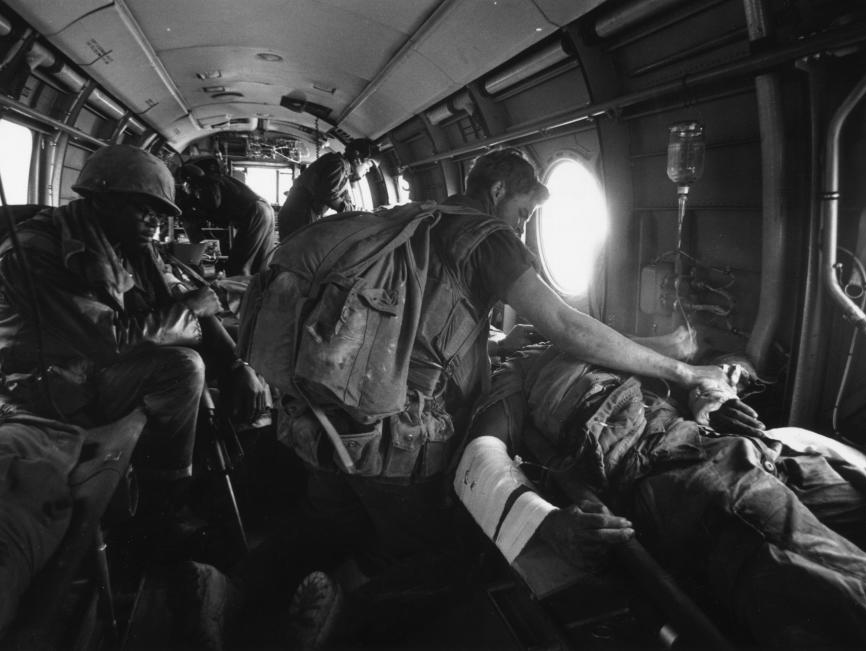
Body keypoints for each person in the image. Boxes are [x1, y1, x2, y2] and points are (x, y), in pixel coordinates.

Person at [174, 147, 732, 649]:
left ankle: (232, 592)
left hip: (321, 419)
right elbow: (565, 323)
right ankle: (344, 622)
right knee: (443, 556)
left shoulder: (417, 219)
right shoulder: (488, 237)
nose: (523, 224)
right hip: (394, 443)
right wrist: (681, 370)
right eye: (523, 210)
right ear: (496, 192)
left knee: (325, 523)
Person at [456, 342, 866, 649]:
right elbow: (479, 455)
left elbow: (717, 364)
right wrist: (547, 522)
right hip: (686, 480)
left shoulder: (612, 346)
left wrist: (714, 400)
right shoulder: (518, 375)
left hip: (754, 450)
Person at [0, 144, 267, 530]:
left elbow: (177, 297)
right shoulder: (37, 252)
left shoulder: (125, 246)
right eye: (143, 207)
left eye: (158, 211)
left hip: (83, 368)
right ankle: (164, 504)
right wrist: (191, 311)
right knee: (182, 366)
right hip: (39, 384)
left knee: (209, 352)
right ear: (101, 200)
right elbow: (111, 340)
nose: (153, 220)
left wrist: (236, 364)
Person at [179, 163, 277, 276]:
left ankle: (239, 292)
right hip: (265, 210)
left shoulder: (206, 182)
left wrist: (194, 209)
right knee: (260, 264)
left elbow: (213, 204)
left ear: (190, 180)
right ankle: (258, 292)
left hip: (255, 212)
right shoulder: (215, 179)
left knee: (238, 265)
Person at [276, 138, 378, 240]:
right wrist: (351, 210)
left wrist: (360, 211)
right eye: (368, 164)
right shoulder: (337, 164)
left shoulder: (344, 172)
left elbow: (345, 200)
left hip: (301, 215)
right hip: (298, 216)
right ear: (357, 156)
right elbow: (329, 195)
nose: (368, 170)